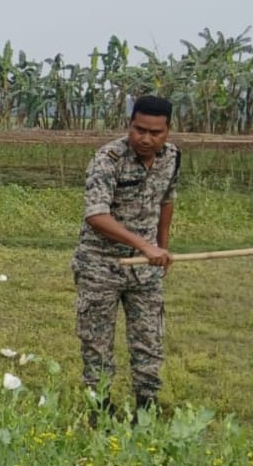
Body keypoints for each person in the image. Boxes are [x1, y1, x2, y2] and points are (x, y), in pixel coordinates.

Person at [72, 95, 180, 416]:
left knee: (149, 340)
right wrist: (144, 245)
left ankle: (146, 409)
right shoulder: (108, 159)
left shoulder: (172, 157)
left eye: (155, 132)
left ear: (168, 131)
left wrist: (161, 246)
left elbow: (166, 200)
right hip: (100, 266)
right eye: (139, 129)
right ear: (129, 125)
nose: (146, 139)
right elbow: (96, 215)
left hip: (145, 270)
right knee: (97, 342)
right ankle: (100, 409)